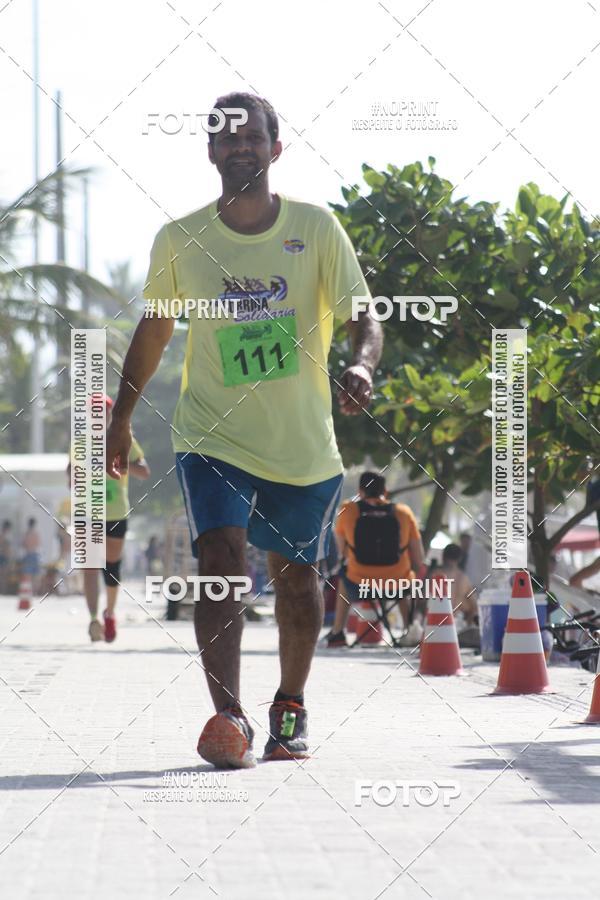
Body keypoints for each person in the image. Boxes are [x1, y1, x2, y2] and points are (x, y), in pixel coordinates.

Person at [105, 91, 382, 768]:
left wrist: (362, 366)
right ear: (210, 152)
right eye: (226, 137)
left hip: (301, 440)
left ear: (275, 148)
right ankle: (227, 715)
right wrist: (121, 417)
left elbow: (363, 318)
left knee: (296, 577)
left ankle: (289, 706)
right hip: (212, 435)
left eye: (252, 137)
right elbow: (156, 328)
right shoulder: (181, 238)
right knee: (221, 559)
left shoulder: (317, 229)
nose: (240, 147)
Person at [68, 395, 150, 642]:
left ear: (110, 414)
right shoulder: (80, 442)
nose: (97, 416)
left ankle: (110, 613)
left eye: (102, 411)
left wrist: (121, 463)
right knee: (90, 567)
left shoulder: (124, 439)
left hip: (115, 511)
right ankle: (94, 618)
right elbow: (72, 478)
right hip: (87, 513)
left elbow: (144, 472)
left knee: (111, 568)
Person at [327, 472, 425, 647]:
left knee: (344, 576)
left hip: (360, 586)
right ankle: (409, 629)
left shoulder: (347, 510)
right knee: (405, 577)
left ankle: (337, 632)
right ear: (385, 491)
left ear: (360, 491)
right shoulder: (403, 512)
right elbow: (419, 559)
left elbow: (343, 553)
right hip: (396, 588)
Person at [433, 543, 478, 626]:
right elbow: (474, 607)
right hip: (455, 626)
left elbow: (421, 603)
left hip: (433, 624)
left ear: (443, 556)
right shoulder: (464, 579)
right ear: (460, 558)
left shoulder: (433, 576)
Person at [21, 518, 42, 593]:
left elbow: (23, 544)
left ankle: (28, 591)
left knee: (28, 574)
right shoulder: (36, 533)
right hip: (35, 554)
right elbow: (38, 543)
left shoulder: (27, 533)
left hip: (28, 554)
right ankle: (35, 591)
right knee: (36, 575)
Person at [0, 520, 13, 593]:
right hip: (3, 556)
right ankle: (2, 590)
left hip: (5, 556)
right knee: (3, 575)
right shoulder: (4, 535)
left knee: (4, 575)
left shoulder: (7, 535)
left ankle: (3, 590)